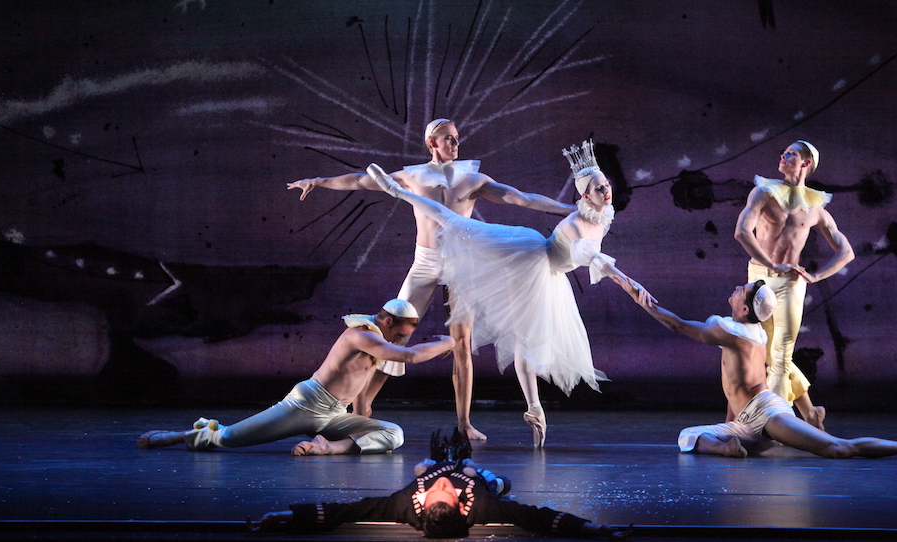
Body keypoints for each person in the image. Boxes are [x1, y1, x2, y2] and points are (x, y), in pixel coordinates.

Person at [288, 119, 575, 441]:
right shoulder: (411, 176)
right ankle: (361, 411)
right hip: (424, 263)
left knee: (462, 344)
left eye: (456, 139)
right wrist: (318, 181)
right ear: (432, 144)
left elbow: (520, 197)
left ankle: (464, 423)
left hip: (461, 263)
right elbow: (358, 180)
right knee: (391, 336)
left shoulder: (472, 178)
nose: (455, 144)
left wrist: (569, 208)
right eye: (448, 139)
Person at [364, 139, 643, 447]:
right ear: (585, 196)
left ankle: (534, 408)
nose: (606, 192)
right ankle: (397, 191)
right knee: (454, 222)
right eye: (599, 189)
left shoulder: (602, 213)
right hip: (529, 261)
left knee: (528, 338)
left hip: (548, 274)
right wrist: (629, 283)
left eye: (606, 185)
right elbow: (592, 257)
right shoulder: (577, 222)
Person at [614, 277, 897, 461]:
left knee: (838, 449)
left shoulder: (732, 331)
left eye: (743, 290)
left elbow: (679, 326)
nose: (737, 288)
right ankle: (728, 446)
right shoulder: (745, 331)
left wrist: (642, 302)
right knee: (688, 435)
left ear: (746, 309)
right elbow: (734, 388)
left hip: (766, 414)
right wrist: (733, 424)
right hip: (746, 421)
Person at [136, 299, 454, 455]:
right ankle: (180, 435)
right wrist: (448, 343)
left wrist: (360, 414)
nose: (398, 340)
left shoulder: (378, 339)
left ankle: (329, 449)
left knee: (393, 434)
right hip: (306, 405)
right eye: (397, 333)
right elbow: (410, 357)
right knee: (228, 439)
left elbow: (361, 377)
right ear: (385, 320)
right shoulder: (360, 334)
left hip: (333, 416)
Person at [246, 428, 631, 539]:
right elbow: (538, 518)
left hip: (434, 476)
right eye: (443, 489)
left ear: (425, 504)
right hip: (485, 485)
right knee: (475, 474)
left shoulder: (404, 503)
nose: (441, 484)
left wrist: (284, 515)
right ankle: (492, 478)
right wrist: (594, 530)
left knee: (424, 467)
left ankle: (466, 470)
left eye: (436, 490)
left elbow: (347, 511)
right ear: (462, 508)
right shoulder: (482, 507)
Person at [734, 140, 854, 430]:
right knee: (765, 352)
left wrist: (816, 276)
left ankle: (774, 425)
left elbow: (846, 251)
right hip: (759, 278)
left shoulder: (815, 208)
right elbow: (742, 232)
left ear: (806, 164)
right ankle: (811, 414)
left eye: (791, 154)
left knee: (781, 355)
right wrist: (772, 264)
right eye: (783, 153)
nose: (783, 156)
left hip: (790, 284)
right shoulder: (764, 193)